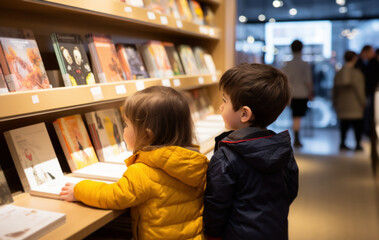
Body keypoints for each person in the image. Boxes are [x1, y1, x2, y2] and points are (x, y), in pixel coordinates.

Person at [60, 86, 208, 240]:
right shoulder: (193, 163)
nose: (123, 130)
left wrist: (78, 189)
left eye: (126, 125)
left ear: (147, 134)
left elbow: (113, 196)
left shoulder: (142, 172)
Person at [204, 63, 299, 240]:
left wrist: (212, 234)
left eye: (225, 101)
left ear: (244, 114)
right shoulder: (282, 148)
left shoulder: (227, 156)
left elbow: (216, 204)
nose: (221, 107)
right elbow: (291, 190)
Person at [282, 39, 313, 147]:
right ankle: (297, 138)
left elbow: (284, 80)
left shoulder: (287, 64)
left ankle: (296, 137)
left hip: (291, 94)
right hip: (302, 93)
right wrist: (310, 93)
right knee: (298, 117)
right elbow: (308, 81)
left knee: (295, 116)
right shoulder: (304, 64)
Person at [333, 51, 365, 151]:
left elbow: (335, 90)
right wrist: (363, 102)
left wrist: (335, 102)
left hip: (342, 104)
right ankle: (358, 144)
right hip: (355, 104)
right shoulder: (357, 74)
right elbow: (360, 91)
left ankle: (342, 143)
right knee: (357, 125)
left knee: (344, 125)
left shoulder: (339, 74)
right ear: (354, 59)